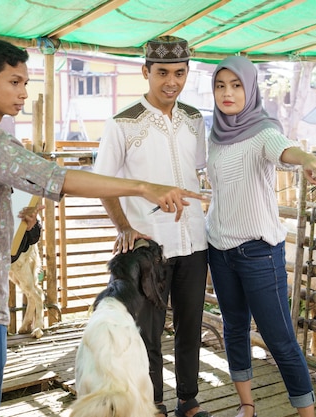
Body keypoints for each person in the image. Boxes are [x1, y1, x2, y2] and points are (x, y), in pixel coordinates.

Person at [0, 39, 204, 417]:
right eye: (15, 82)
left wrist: (15, 221)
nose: (23, 93)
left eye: (25, 83)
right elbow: (57, 178)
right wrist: (142, 187)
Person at [93, 36, 211, 417]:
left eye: (179, 73)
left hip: (194, 240)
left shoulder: (195, 120)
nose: (171, 82)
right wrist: (124, 226)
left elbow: (201, 170)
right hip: (148, 247)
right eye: (162, 73)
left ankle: (188, 402)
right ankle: (153, 404)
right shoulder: (122, 124)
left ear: (187, 72)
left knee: (191, 324)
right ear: (146, 72)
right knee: (148, 333)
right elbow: (103, 182)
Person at [205, 56, 316, 417]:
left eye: (236, 85)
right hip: (218, 247)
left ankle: (307, 414)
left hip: (258, 251)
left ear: (251, 88)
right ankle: (247, 405)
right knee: (234, 329)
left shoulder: (263, 131)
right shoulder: (214, 135)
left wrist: (307, 159)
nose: (228, 93)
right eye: (220, 85)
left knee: (280, 340)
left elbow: (284, 149)